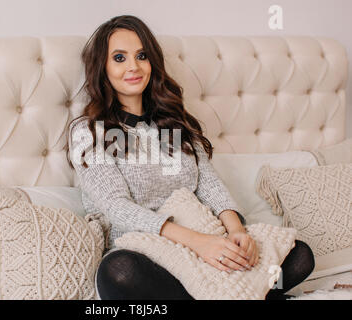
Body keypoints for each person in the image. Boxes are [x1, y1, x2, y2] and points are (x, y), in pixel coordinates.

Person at [66, 15, 314, 300]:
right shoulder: (90, 131)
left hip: (204, 240)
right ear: (102, 68)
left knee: (299, 255)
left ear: (152, 62)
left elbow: (208, 184)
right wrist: (200, 244)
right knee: (119, 271)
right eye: (119, 58)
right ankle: (245, 293)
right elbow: (116, 207)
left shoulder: (173, 122)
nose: (133, 66)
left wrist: (237, 232)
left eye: (141, 56)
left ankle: (225, 292)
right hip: (149, 253)